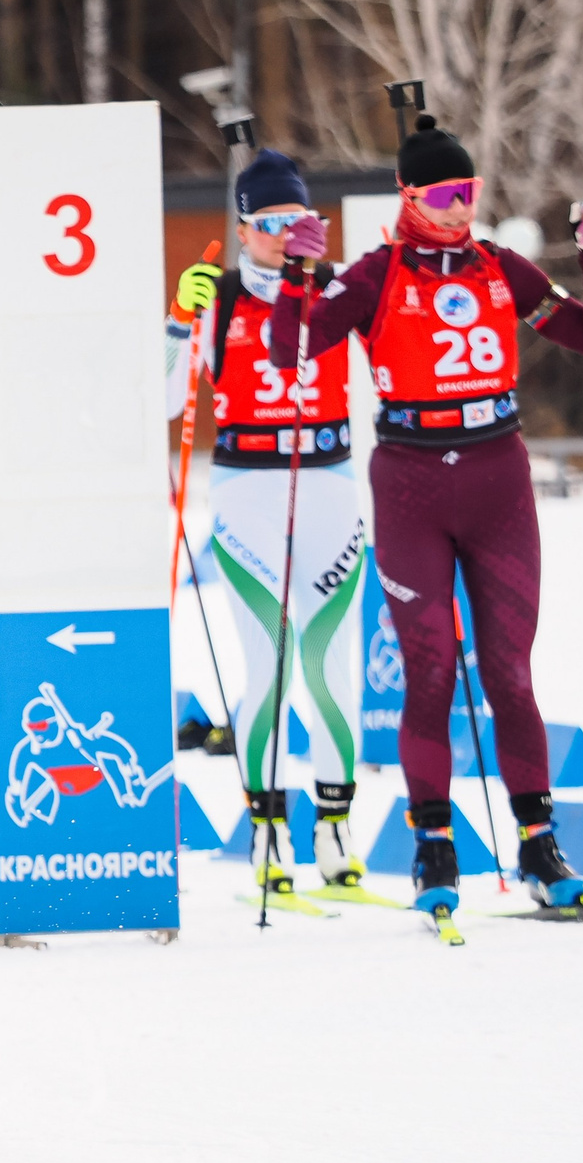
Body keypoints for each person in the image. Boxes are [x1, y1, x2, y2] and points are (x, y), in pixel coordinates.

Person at [269, 116, 583, 925]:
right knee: (432, 671)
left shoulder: (500, 267)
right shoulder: (377, 274)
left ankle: (539, 844)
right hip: (412, 484)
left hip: (500, 480)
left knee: (511, 671)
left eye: (469, 192)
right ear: (409, 196)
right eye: (445, 194)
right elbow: (290, 349)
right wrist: (301, 272)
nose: (459, 208)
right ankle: (434, 845)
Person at [167, 149, 374, 905]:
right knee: (271, 665)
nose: (286, 235)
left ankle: (334, 823)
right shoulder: (218, 295)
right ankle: (266, 827)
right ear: (244, 226)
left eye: (299, 219)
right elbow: (163, 398)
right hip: (248, 489)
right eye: (270, 222)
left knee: (328, 664)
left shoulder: (335, 285)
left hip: (328, 482)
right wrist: (175, 321)